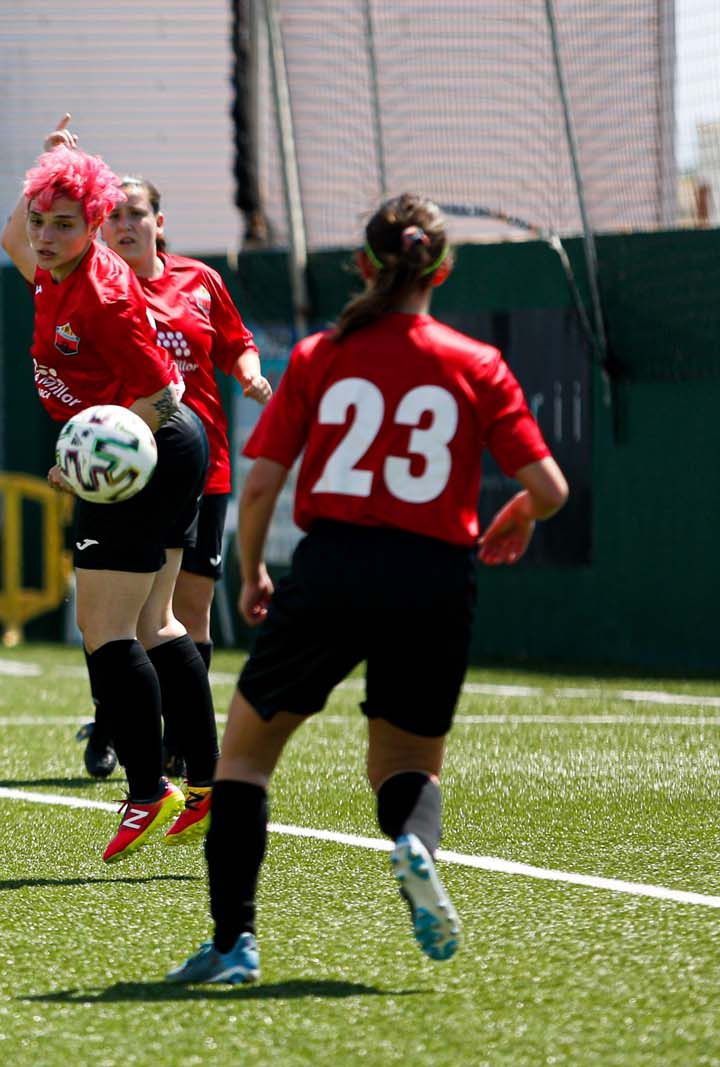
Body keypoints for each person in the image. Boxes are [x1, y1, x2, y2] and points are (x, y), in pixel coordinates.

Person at [167, 194, 568, 984]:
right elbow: (549, 486)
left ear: (362, 265)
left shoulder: (321, 354)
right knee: (407, 762)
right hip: (436, 577)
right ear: (442, 269)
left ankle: (232, 945)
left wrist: (250, 571)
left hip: (336, 569)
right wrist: (520, 514)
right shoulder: (475, 362)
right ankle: (414, 844)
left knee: (245, 761)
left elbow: (259, 489)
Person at [1, 128, 215, 862]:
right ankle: (210, 781)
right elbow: (11, 233)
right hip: (152, 451)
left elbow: (162, 395)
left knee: (106, 630)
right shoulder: (49, 265)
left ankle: (150, 785)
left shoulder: (99, 292)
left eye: (64, 222)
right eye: (40, 219)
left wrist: (92, 459)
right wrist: (50, 158)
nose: (44, 234)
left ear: (94, 224)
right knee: (155, 622)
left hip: (151, 451)